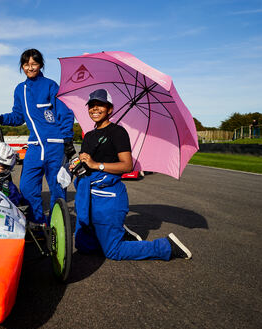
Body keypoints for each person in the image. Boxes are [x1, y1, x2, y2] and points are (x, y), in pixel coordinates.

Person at [70, 89, 192, 260]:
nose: (95, 109)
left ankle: (166, 247)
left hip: (108, 197)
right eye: (91, 105)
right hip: (88, 195)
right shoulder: (89, 135)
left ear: (110, 109)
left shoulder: (118, 132)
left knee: (113, 251)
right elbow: (87, 165)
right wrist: (78, 165)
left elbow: (127, 166)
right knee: (84, 246)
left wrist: (96, 164)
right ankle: (119, 234)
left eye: (100, 105)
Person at [0, 49, 75, 224]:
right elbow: (17, 116)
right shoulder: (19, 89)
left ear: (41, 65)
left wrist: (67, 141)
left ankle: (55, 226)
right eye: (26, 64)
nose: (30, 68)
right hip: (35, 147)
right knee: (27, 187)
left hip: (55, 145)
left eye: (34, 64)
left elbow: (65, 114)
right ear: (22, 66)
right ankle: (38, 222)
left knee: (58, 188)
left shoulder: (51, 85)